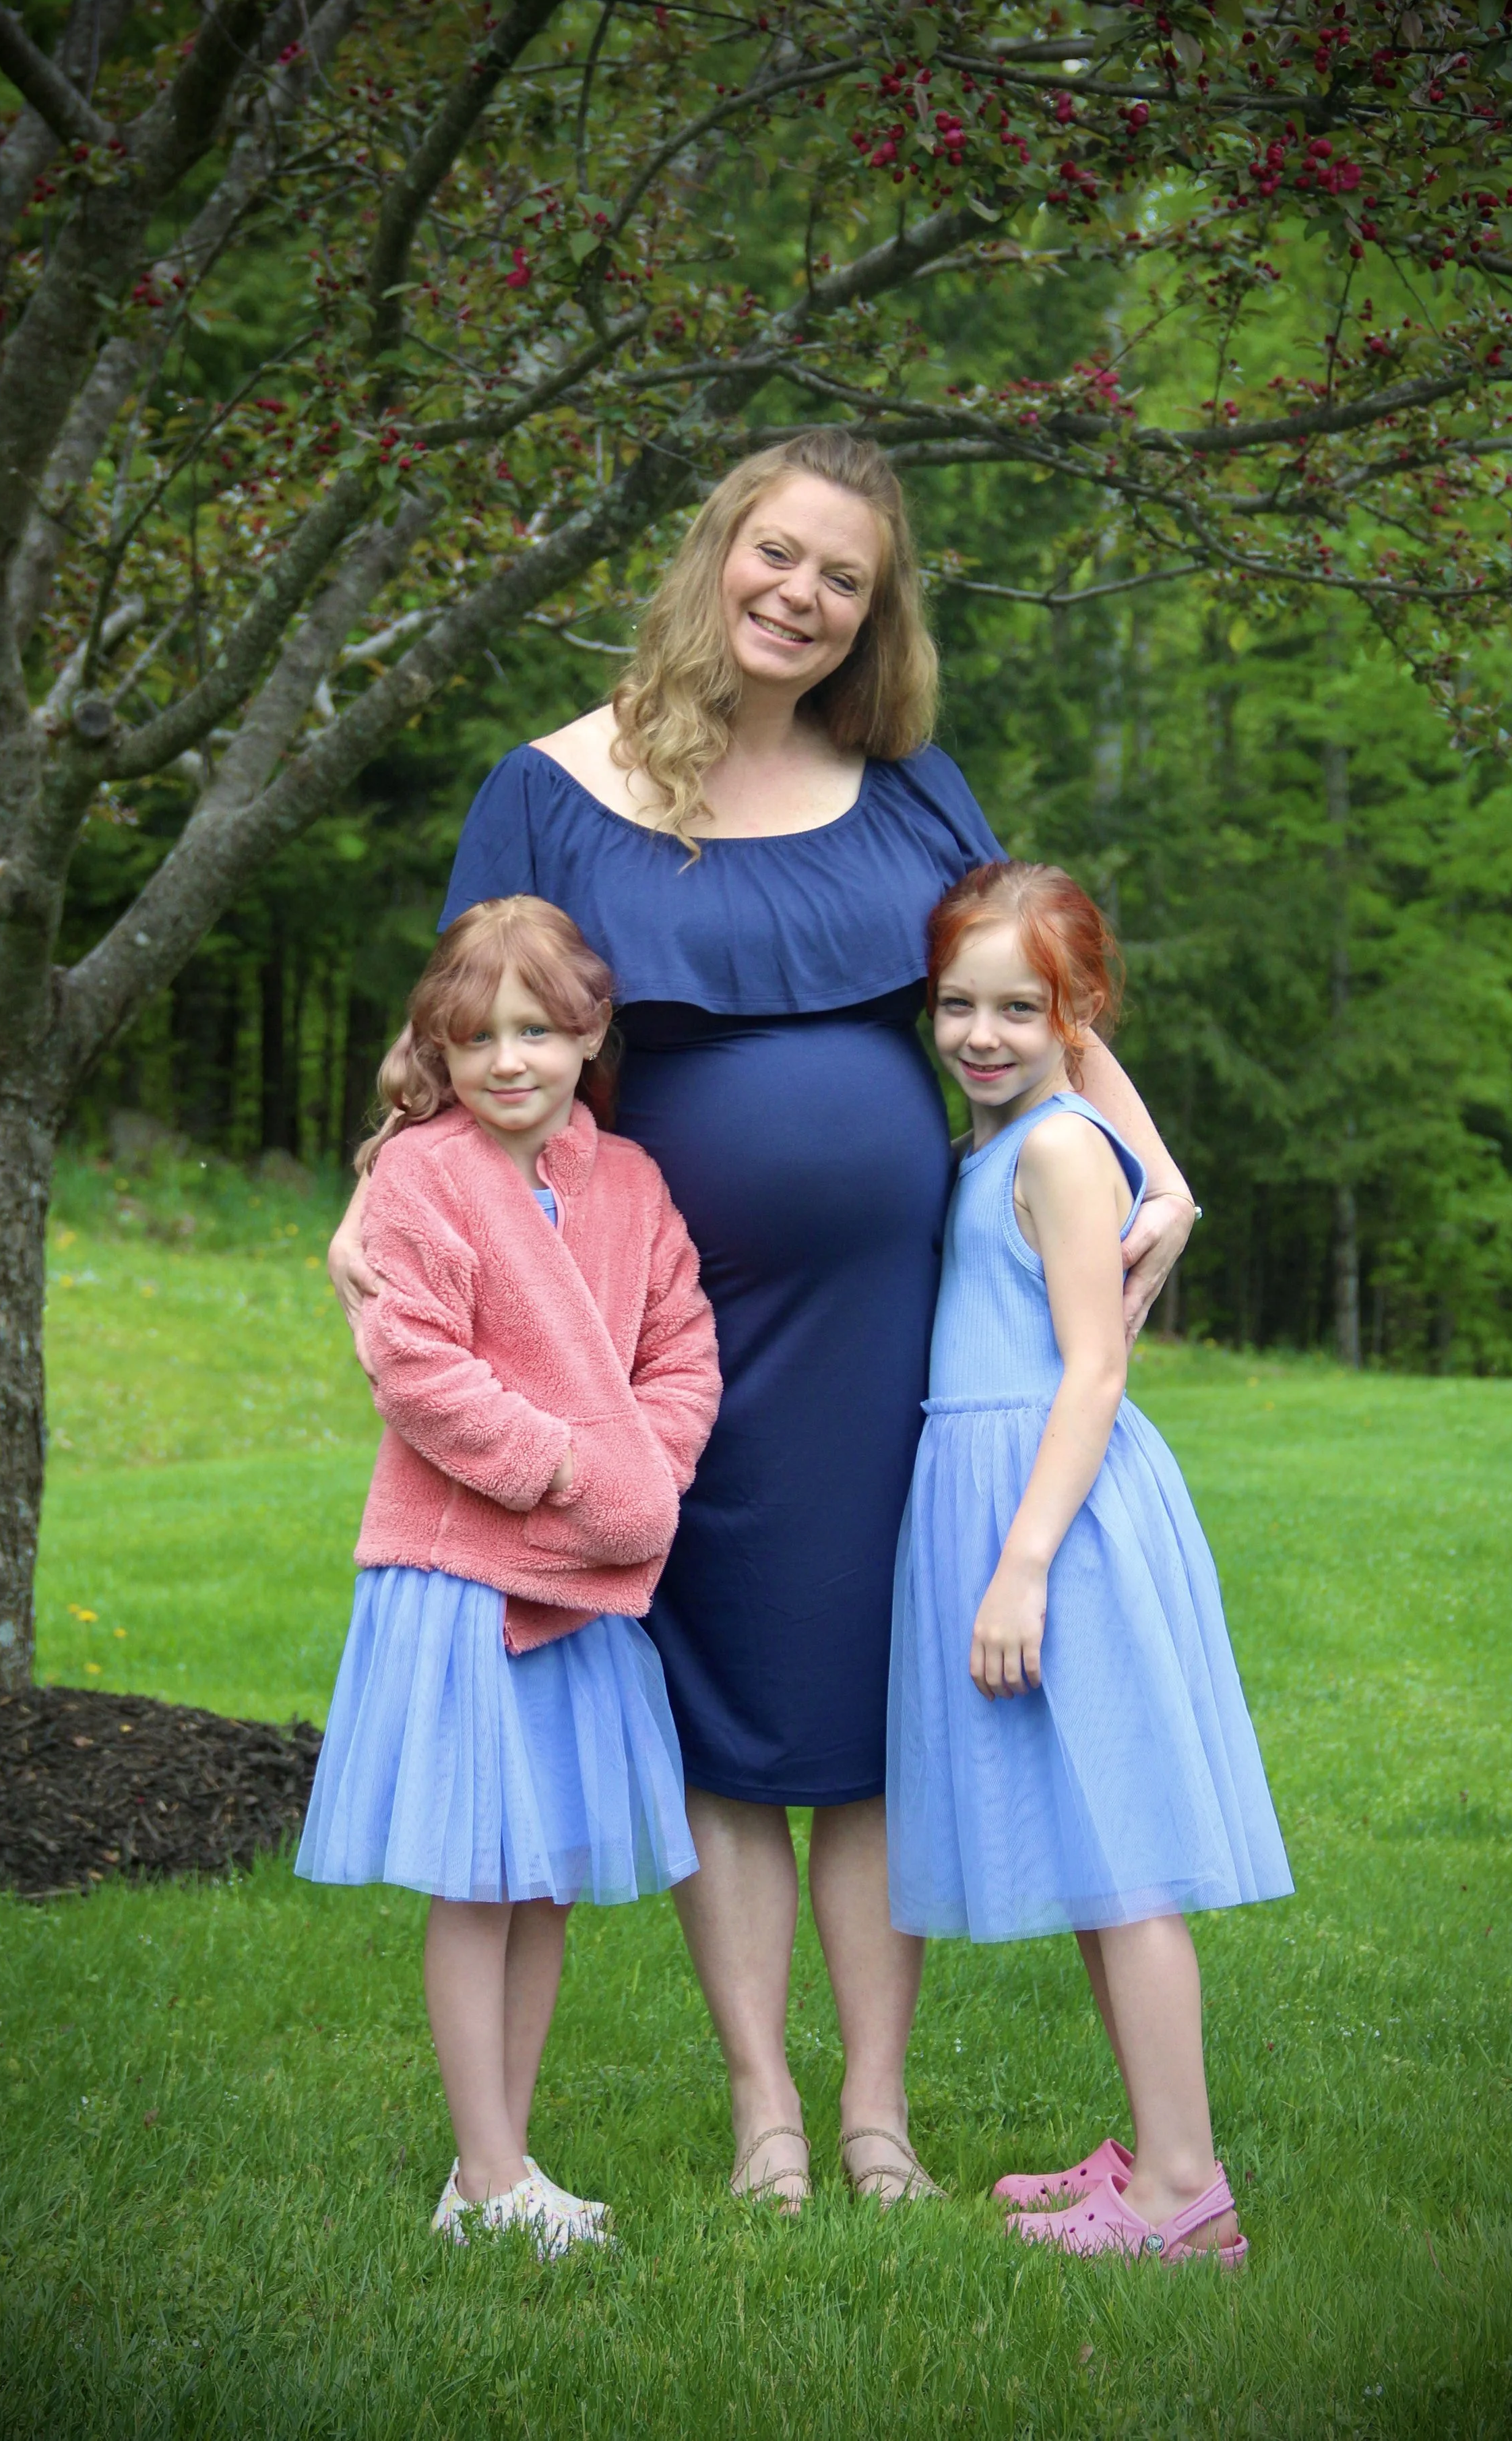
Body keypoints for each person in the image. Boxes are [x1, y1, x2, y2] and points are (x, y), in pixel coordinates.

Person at [329, 427, 1197, 2211]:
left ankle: (873, 2108)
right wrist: (381, 1209)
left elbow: (1033, 986)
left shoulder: (909, 786)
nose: (798, 597)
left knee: (870, 1706)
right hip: (654, 1334)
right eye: (776, 555)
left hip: (897, 1326)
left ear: (875, 616)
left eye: (843, 579)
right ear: (717, 549)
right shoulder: (552, 788)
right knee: (720, 1706)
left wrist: (1149, 1160)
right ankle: (764, 2114)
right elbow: (464, 1029)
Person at [298, 898, 720, 2250]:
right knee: (476, 1876)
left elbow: (683, 1355)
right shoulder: (422, 1175)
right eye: (475, 1037)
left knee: (542, 1875)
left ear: (589, 1033)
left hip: (586, 1585)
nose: (509, 1060)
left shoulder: (634, 1187)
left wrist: (639, 1482)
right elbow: (415, 1365)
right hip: (466, 1576)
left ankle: (501, 2162)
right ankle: (484, 2177)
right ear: (440, 1049)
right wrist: (566, 1474)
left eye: (538, 1030)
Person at [888, 860, 1292, 2263]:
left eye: (1020, 1007)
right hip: (1007, 1498)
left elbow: (1091, 1370)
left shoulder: (1057, 1146)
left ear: (1081, 1014)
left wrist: (1022, 1562)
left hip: (1059, 1516)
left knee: (1124, 1862)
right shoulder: (995, 1144)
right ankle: (1146, 2149)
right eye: (958, 1005)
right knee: (1087, 1851)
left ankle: (1185, 2192)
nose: (983, 1034)